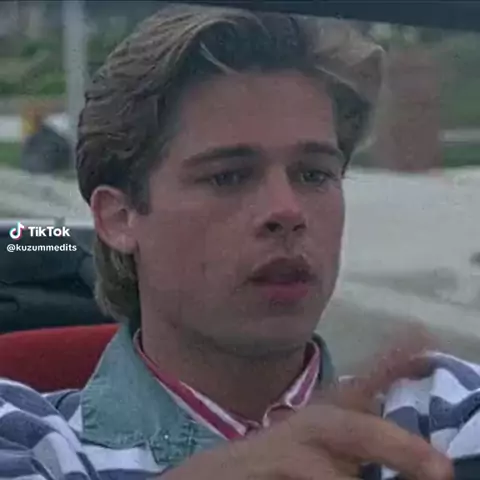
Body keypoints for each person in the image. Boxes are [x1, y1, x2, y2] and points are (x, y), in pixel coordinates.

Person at [1, 4, 479, 479]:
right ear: (119, 217)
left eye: (313, 174)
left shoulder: (444, 412)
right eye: (228, 176)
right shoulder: (28, 440)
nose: (286, 210)